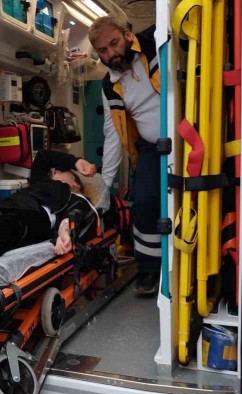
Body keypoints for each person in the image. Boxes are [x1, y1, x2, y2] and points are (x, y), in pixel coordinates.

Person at [89, 14, 162, 296]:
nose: (111, 54)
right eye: (103, 51)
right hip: (151, 147)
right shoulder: (109, 86)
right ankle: (149, 269)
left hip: (189, 135)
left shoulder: (156, 41)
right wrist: (104, 187)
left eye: (114, 43)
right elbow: (113, 135)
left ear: (127, 34)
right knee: (143, 202)